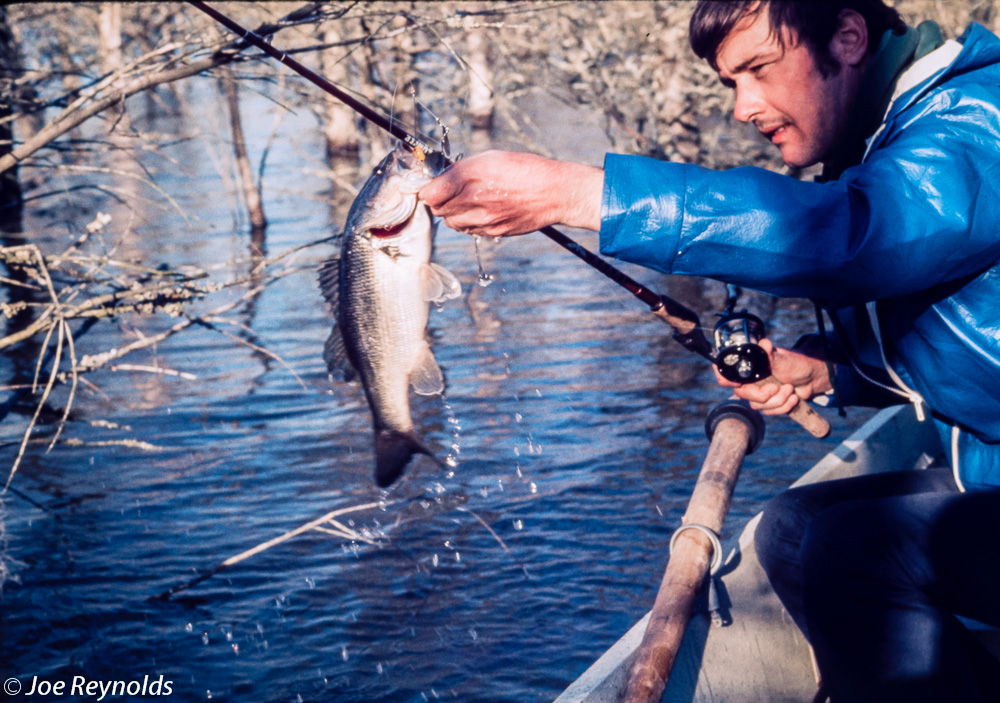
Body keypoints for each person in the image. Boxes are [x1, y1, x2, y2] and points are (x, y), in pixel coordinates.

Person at [418, 1, 1000, 701]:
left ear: (848, 38)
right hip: (983, 467)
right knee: (789, 529)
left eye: (757, 69)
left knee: (853, 550)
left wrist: (580, 193)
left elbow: (857, 238)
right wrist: (824, 370)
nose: (742, 107)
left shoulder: (977, 119)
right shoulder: (893, 137)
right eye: (730, 83)